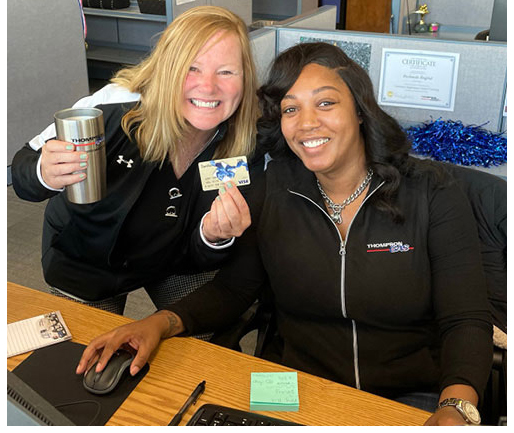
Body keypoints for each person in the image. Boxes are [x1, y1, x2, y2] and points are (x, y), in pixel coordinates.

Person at [76, 42, 493, 425]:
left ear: (360, 110)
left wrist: (456, 406)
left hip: (411, 397)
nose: (307, 123)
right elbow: (233, 292)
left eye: (326, 103)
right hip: (300, 389)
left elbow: (466, 319)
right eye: (291, 110)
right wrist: (158, 324)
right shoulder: (273, 189)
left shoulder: (431, 192)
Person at [11, 5, 260, 315]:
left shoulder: (243, 140)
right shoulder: (116, 106)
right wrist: (44, 172)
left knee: (207, 343)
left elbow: (201, 252)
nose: (208, 86)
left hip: (170, 261)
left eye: (226, 71)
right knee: (88, 360)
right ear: (167, 68)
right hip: (87, 262)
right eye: (192, 68)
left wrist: (213, 238)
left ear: (245, 78)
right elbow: (23, 172)